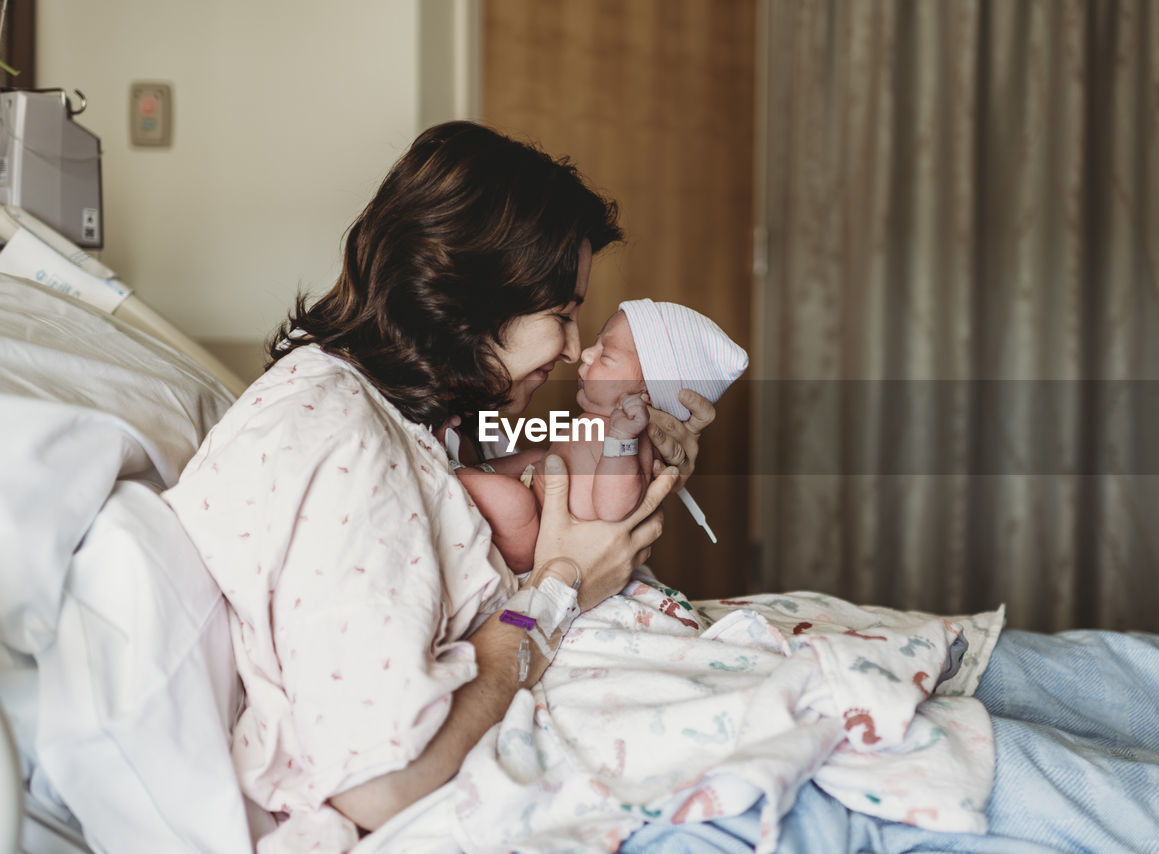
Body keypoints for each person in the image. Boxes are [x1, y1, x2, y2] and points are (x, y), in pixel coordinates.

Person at [162, 120, 717, 849]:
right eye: (562, 315)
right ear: (472, 299)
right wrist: (560, 589)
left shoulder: (406, 412)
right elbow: (383, 785)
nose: (574, 349)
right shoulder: (342, 442)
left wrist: (637, 439)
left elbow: (513, 451)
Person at [452, 300, 748, 572]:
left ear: (644, 394)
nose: (584, 353)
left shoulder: (629, 439)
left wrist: (621, 438)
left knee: (513, 500)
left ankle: (459, 478)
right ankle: (479, 473)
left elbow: (613, 507)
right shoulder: (599, 425)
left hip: (547, 546)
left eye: (605, 356)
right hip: (541, 510)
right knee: (532, 458)